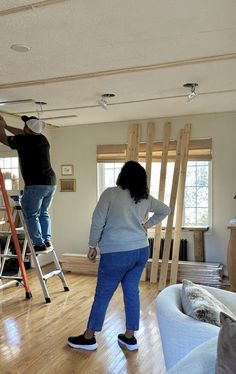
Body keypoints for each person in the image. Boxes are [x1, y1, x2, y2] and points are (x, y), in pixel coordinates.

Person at [67, 160, 170, 351]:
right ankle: (129, 337)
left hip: (116, 253)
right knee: (132, 291)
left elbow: (97, 220)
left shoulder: (111, 193)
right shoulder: (144, 197)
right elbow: (165, 209)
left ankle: (89, 337)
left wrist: (92, 245)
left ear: (122, 175)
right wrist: (146, 226)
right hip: (140, 250)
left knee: (103, 295)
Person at [0, 114, 56, 252]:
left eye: (25, 126)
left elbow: (3, 139)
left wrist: (0, 127)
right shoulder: (42, 139)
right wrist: (6, 126)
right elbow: (22, 133)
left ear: (29, 130)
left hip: (35, 184)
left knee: (31, 214)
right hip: (50, 183)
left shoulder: (25, 141)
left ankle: (38, 244)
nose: (23, 128)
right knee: (43, 212)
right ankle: (46, 241)